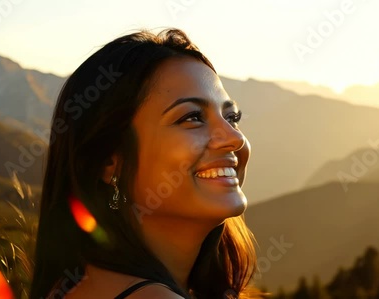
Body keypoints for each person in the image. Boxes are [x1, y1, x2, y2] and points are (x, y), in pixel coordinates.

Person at [30, 28, 260, 299]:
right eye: (192, 117)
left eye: (231, 117)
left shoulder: (78, 285)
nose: (234, 138)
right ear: (108, 160)